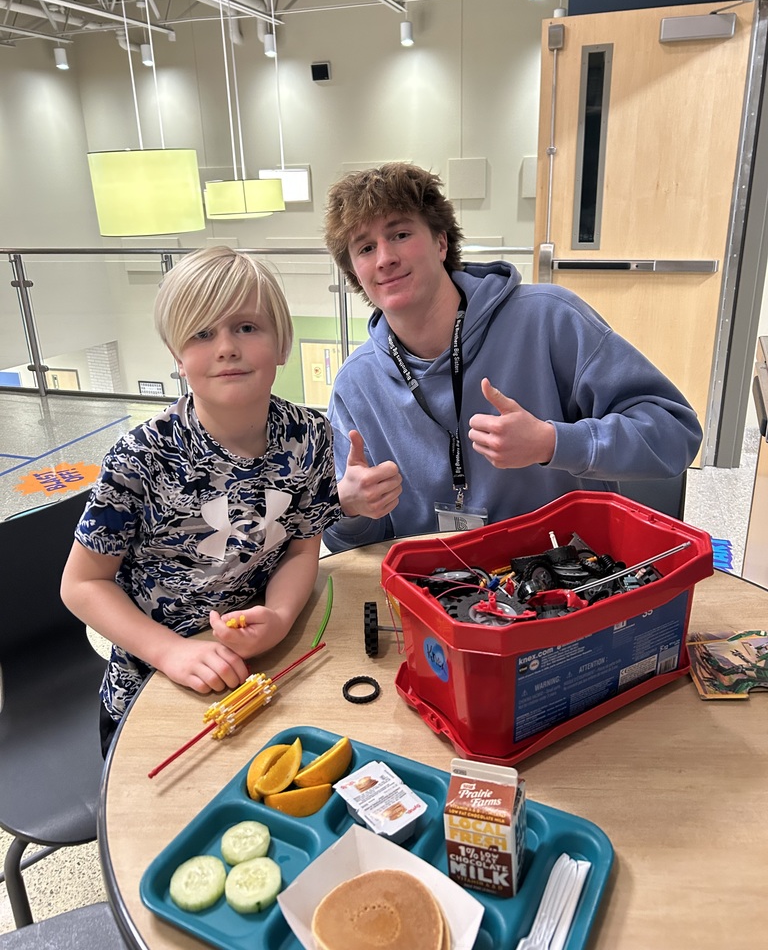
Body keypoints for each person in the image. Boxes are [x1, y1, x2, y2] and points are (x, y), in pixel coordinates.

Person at [322, 162, 702, 552]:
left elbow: (675, 433)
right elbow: (349, 548)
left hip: (566, 584)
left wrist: (553, 443)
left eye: (400, 234)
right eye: (365, 248)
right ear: (354, 271)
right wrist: (348, 509)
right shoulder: (356, 385)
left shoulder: (548, 318)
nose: (384, 258)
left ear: (440, 242)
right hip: (441, 593)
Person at [60, 247, 340, 755]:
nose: (227, 348)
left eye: (248, 327)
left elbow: (302, 550)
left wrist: (277, 618)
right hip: (152, 687)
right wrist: (171, 652)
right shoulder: (141, 456)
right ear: (177, 357)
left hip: (257, 671)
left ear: (282, 344)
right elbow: (81, 584)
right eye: (202, 333)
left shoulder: (311, 435)